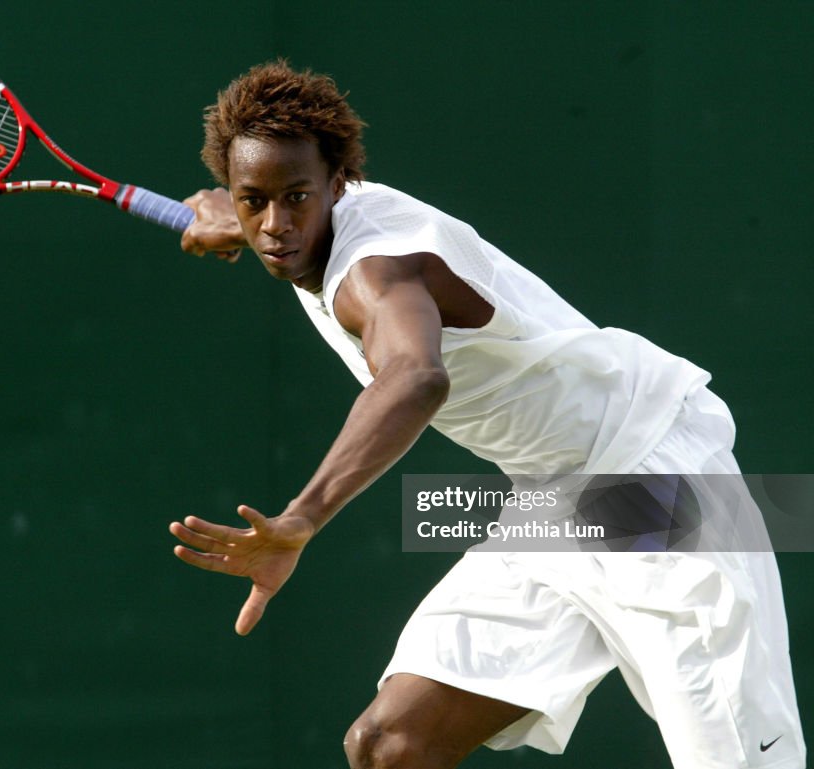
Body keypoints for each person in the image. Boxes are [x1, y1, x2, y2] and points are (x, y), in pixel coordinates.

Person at [168, 60, 806, 769]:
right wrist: (239, 214)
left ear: (338, 185)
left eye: (296, 197)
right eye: (255, 200)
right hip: (558, 506)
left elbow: (414, 377)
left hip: (659, 483)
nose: (277, 225)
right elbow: (271, 206)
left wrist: (302, 516)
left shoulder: (374, 271)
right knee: (390, 744)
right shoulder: (293, 213)